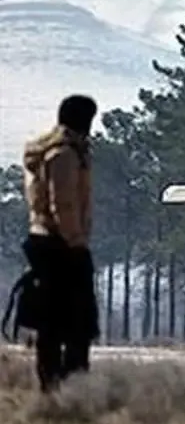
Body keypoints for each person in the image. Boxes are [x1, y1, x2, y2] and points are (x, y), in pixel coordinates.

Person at [20, 95, 100, 393]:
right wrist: (76, 242)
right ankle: (63, 386)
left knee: (57, 323)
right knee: (69, 322)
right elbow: (62, 204)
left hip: (51, 243)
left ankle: (61, 385)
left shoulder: (70, 151)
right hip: (60, 246)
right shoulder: (63, 155)